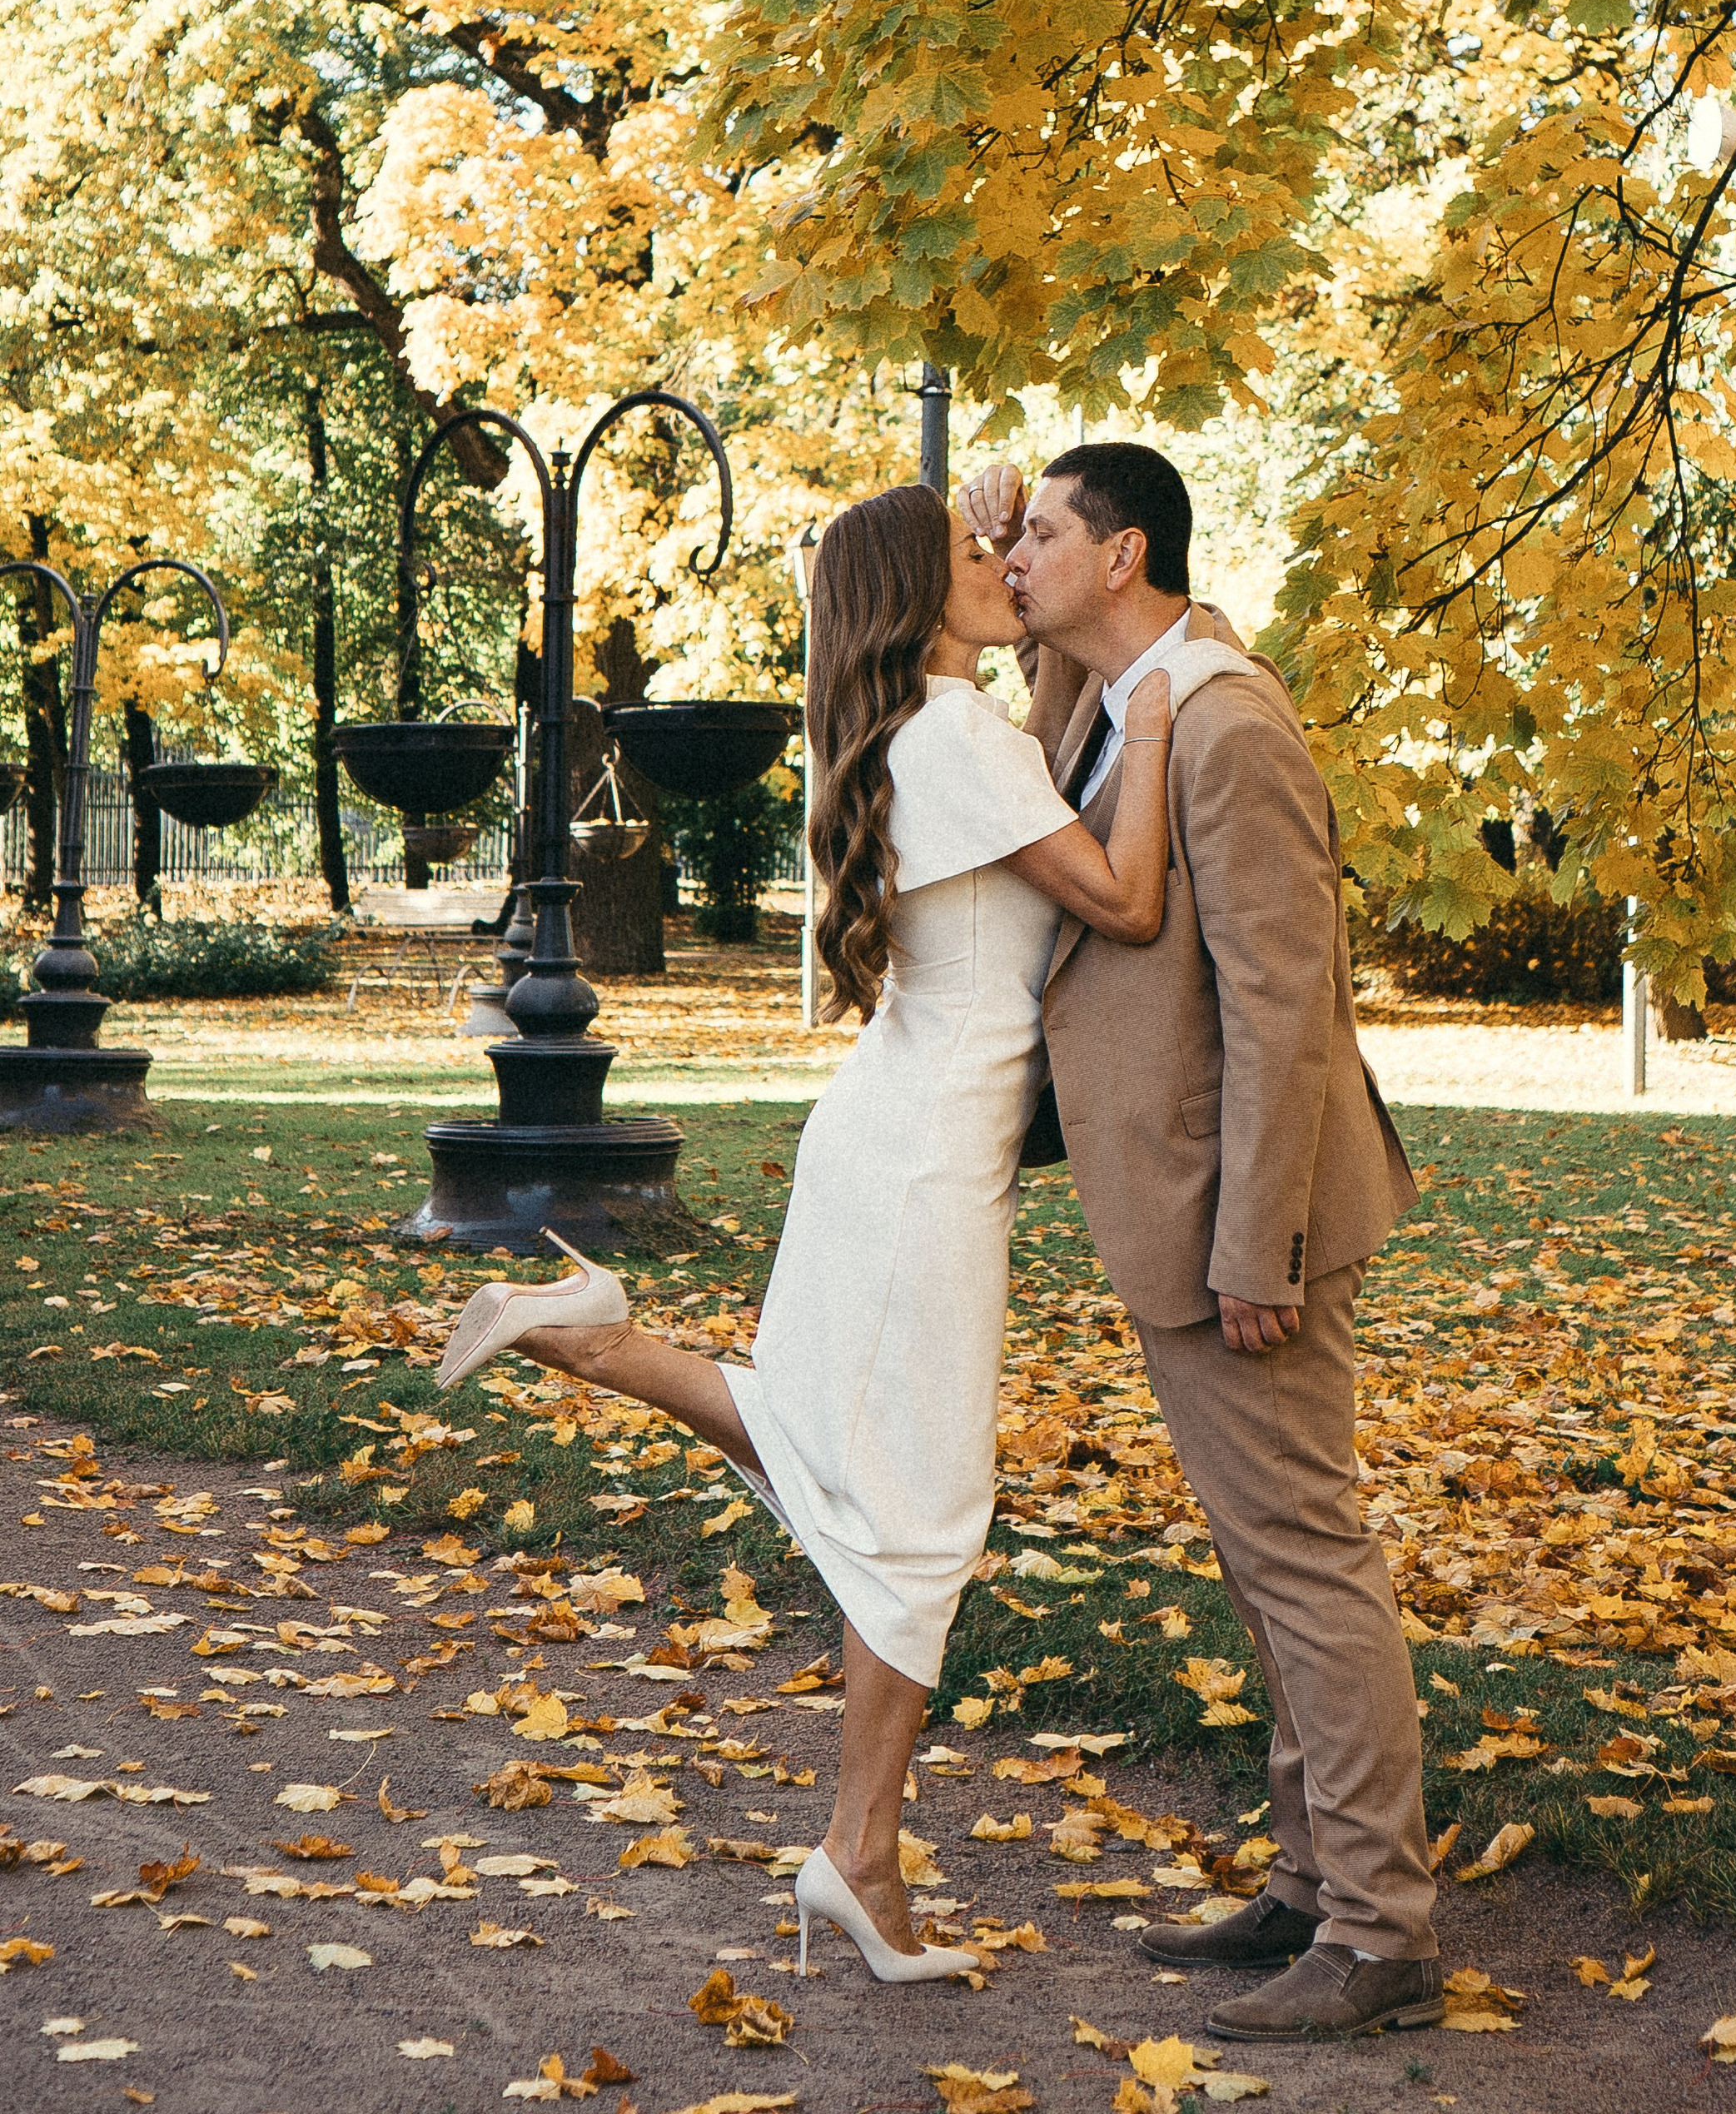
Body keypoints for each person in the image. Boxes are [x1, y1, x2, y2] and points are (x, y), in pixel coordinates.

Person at [431, 480, 1242, 1987]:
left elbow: (1048, 739)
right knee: (918, 1514)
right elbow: (1129, 903)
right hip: (923, 1162)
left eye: (1008, 545)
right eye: (972, 556)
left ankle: (586, 1328)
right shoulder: (954, 737)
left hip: (900, 1141)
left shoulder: (928, 732)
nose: (1006, 565)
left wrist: (1014, 571)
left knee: (843, 1457)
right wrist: (1174, 686)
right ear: (914, 601)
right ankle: (860, 1858)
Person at [963, 441, 1438, 2042]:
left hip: (1248, 1221)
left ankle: (1378, 1935)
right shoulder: (1112, 692)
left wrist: (1262, 1244)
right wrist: (982, 532)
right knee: (1264, 1561)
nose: (1014, 556)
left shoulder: (1223, 720)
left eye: (1040, 534)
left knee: (1306, 1561)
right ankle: (1312, 1885)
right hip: (1180, 1201)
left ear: (1127, 557)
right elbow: (1017, 679)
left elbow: (1284, 1002)